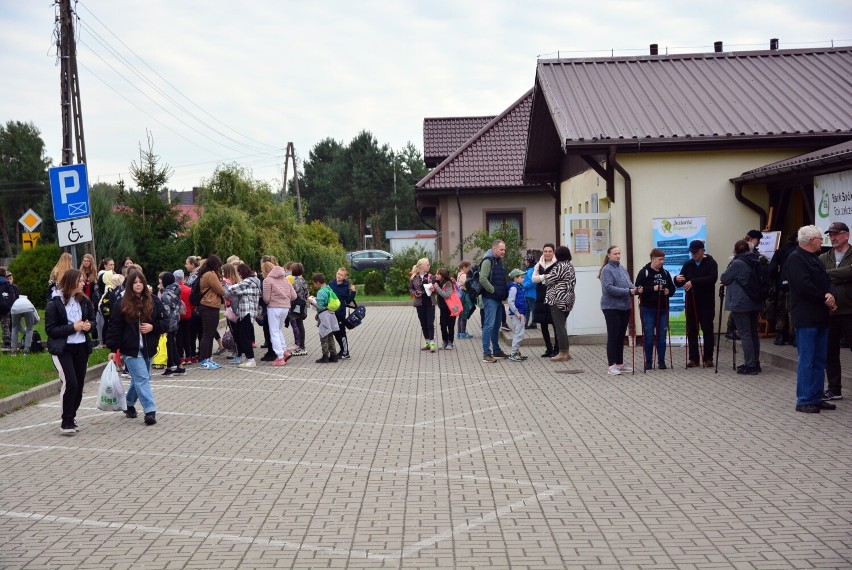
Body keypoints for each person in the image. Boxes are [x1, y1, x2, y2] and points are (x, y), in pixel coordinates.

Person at [786, 225, 837, 413]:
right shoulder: (796, 259)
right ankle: (804, 399)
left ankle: (816, 396)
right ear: (811, 240)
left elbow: (827, 280)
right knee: (807, 359)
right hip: (806, 317)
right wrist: (825, 297)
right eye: (819, 238)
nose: (821, 242)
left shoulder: (815, 259)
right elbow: (803, 285)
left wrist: (831, 295)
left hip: (821, 316)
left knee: (819, 359)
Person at [106, 269, 167, 425]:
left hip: (148, 347)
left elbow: (166, 321)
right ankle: (150, 411)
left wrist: (153, 327)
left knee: (141, 379)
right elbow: (115, 327)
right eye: (135, 282)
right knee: (142, 378)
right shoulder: (121, 303)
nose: (138, 285)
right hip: (130, 349)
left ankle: (128, 403)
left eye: (141, 282)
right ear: (130, 284)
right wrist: (113, 350)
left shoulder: (153, 300)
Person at [45, 269, 96, 435]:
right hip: (63, 349)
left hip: (81, 347)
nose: (83, 283)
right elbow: (51, 330)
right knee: (71, 383)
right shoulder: (55, 303)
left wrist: (89, 326)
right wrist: (72, 327)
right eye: (80, 281)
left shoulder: (84, 301)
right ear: (71, 282)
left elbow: (93, 320)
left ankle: (72, 416)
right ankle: (66, 421)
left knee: (79, 385)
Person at [720, 240, 764, 375]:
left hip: (741, 303)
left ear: (735, 250)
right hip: (754, 302)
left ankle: (749, 365)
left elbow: (724, 278)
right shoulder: (755, 260)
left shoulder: (737, 263)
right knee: (753, 333)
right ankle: (755, 362)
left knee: (745, 334)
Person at [820, 221, 851, 401]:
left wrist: (829, 274)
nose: (832, 238)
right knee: (830, 352)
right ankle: (834, 388)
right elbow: (818, 276)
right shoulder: (824, 257)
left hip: (850, 311)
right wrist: (843, 275)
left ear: (846, 235)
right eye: (830, 234)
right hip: (830, 312)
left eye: (836, 234)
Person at [675, 240, 719, 368]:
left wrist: (693, 281)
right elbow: (681, 281)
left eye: (695, 252)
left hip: (706, 303)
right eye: (691, 252)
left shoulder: (711, 263)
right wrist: (676, 280)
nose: (693, 255)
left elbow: (712, 279)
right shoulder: (688, 264)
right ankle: (693, 359)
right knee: (692, 330)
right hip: (691, 302)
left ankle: (708, 358)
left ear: (702, 250)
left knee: (707, 330)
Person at [635, 248, 676, 370]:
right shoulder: (644, 272)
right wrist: (653, 288)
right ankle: (648, 361)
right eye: (660, 259)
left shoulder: (665, 273)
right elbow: (638, 288)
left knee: (662, 336)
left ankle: (661, 361)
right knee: (648, 335)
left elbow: (672, 288)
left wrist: (669, 291)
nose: (662, 262)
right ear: (653, 259)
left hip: (663, 308)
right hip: (648, 308)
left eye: (663, 259)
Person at [599, 245, 637, 375]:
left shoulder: (622, 268)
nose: (618, 256)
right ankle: (611, 365)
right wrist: (628, 291)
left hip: (624, 307)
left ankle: (620, 363)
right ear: (609, 255)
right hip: (611, 307)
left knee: (621, 336)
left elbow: (629, 284)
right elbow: (608, 288)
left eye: (619, 253)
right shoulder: (607, 270)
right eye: (615, 253)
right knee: (613, 336)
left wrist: (636, 289)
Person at [537, 245, 576, 362]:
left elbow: (548, 280)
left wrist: (545, 276)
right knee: (562, 325)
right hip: (568, 299)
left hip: (557, 299)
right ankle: (566, 351)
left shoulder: (560, 266)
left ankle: (563, 352)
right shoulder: (570, 266)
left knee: (559, 327)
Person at [223, 263, 261, 368]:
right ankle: (247, 357)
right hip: (246, 312)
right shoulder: (254, 280)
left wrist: (225, 286)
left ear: (242, 272)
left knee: (245, 337)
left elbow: (234, 289)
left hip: (247, 312)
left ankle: (251, 359)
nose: (238, 274)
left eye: (238, 272)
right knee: (241, 335)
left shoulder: (248, 281)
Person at [479, 240, 509, 362]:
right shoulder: (488, 261)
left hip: (498, 299)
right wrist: (493, 290)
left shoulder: (498, 261)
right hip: (490, 299)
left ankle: (496, 350)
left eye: (504, 249)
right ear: (494, 249)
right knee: (489, 325)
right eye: (501, 249)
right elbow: (482, 278)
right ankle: (487, 353)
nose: (503, 252)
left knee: (496, 325)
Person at [263, 261, 297, 366]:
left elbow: (266, 298)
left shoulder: (267, 280)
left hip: (274, 307)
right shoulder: (286, 280)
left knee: (274, 332)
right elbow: (294, 295)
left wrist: (269, 302)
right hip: (285, 308)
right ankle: (284, 350)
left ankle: (280, 356)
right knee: (278, 330)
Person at [766, 234, 797, 345]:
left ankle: (780, 336)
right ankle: (794, 337)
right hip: (795, 285)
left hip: (782, 283)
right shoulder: (800, 250)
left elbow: (772, 269)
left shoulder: (780, 251)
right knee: (792, 311)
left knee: (781, 310)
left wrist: (775, 279)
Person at [196, 254, 225, 369]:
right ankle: (204, 360)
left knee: (208, 333)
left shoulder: (204, 273)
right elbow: (220, 290)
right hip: (210, 305)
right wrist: (222, 286)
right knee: (208, 334)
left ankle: (207, 358)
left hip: (205, 305)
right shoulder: (211, 274)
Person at [532, 244, 557, 357]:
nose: (547, 253)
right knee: (543, 323)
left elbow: (557, 278)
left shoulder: (557, 264)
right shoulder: (539, 264)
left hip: (553, 296)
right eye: (545, 251)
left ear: (553, 252)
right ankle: (548, 348)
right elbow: (533, 279)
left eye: (550, 251)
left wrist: (542, 277)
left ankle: (557, 348)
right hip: (541, 296)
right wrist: (544, 277)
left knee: (556, 324)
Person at [308, 273, 340, 363]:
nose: (314, 285)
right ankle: (334, 355)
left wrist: (311, 301)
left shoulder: (320, 292)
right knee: (330, 336)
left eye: (314, 283)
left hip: (324, 315)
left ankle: (325, 356)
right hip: (331, 314)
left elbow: (320, 306)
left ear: (318, 282)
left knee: (324, 335)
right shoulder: (328, 288)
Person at [158, 271, 185, 376]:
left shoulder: (166, 294)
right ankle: (169, 367)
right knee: (170, 343)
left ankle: (179, 365)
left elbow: (165, 311)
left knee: (170, 344)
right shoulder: (176, 290)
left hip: (168, 321)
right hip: (176, 319)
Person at [409, 258, 437, 352]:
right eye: (427, 265)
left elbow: (435, 287)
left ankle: (432, 343)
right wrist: (415, 292)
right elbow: (410, 288)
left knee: (430, 322)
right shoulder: (414, 277)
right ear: (421, 266)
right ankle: (427, 341)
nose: (429, 266)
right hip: (419, 303)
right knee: (423, 323)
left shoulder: (430, 276)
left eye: (429, 265)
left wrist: (433, 288)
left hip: (430, 302)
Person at [329, 267, 356, 359]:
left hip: (340, 312)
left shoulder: (345, 286)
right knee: (335, 331)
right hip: (331, 311)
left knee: (341, 331)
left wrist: (353, 292)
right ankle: (342, 349)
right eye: (338, 273)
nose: (339, 276)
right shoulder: (331, 283)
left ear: (345, 277)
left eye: (341, 275)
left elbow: (348, 300)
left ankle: (345, 352)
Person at [506, 268, 529, 361]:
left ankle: (516, 352)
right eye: (521, 277)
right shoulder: (513, 288)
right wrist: (516, 312)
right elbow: (510, 302)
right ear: (515, 278)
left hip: (520, 313)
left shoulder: (517, 287)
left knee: (520, 333)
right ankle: (513, 354)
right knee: (519, 334)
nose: (523, 279)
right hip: (517, 314)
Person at [173, 269, 194, 366]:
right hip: (188, 315)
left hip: (178, 316)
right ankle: (189, 356)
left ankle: (180, 357)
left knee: (179, 337)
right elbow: (192, 303)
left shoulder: (174, 290)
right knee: (187, 336)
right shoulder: (188, 289)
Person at [433, 268, 457, 350]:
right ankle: (445, 341)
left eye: (438, 274)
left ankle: (450, 342)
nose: (436, 275)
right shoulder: (437, 282)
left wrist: (437, 289)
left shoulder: (449, 283)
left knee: (450, 325)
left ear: (442, 276)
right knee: (443, 325)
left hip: (451, 308)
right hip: (443, 308)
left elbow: (447, 295)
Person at [289, 262, 309, 356]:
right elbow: (306, 294)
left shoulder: (293, 281)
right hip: (302, 305)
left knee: (298, 325)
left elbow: (292, 293)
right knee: (300, 324)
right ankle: (301, 346)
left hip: (295, 306)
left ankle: (301, 346)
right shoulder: (303, 280)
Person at [0, 266, 18, 350]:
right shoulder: (8, 284)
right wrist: (9, 306)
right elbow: (12, 296)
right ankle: (7, 343)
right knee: (6, 326)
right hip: (6, 308)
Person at [456, 260, 473, 339]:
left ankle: (459, 332)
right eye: (468, 268)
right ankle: (463, 332)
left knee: (460, 315)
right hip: (464, 295)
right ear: (464, 267)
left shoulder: (459, 274)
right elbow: (468, 284)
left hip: (460, 295)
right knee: (464, 314)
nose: (469, 269)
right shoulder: (464, 275)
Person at [522, 255, 537, 329]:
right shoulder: (529, 270)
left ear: (529, 261)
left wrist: (523, 285)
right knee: (527, 308)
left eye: (525, 261)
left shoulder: (531, 270)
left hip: (531, 293)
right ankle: (525, 323)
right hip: (528, 293)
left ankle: (534, 323)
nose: (524, 262)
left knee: (532, 308)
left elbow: (532, 282)